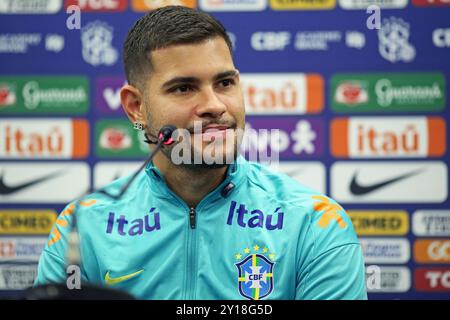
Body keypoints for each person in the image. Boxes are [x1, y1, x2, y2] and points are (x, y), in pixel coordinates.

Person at [34, 6, 367, 300]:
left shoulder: (315, 223)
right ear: (136, 108)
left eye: (224, 83)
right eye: (184, 88)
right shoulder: (84, 226)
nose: (214, 105)